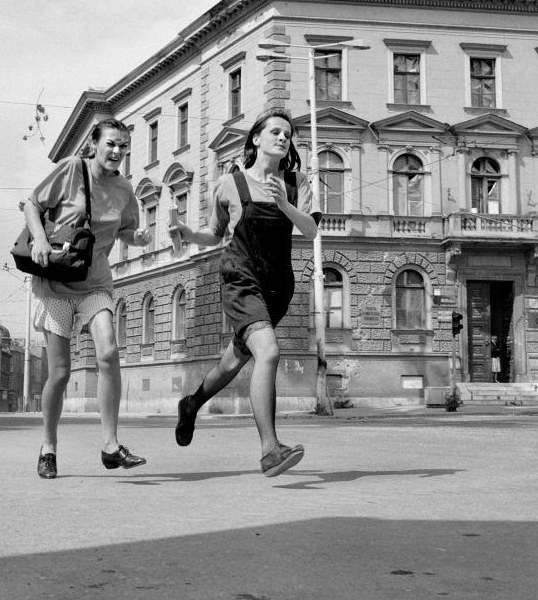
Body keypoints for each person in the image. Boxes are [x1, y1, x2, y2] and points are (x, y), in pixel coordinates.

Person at [169, 108, 319, 477]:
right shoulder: (230, 184)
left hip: (278, 285)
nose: (283, 138)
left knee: (233, 361)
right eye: (275, 132)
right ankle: (270, 449)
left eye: (288, 134)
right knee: (268, 352)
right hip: (241, 279)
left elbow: (312, 232)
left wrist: (284, 203)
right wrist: (187, 234)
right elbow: (214, 234)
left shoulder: (298, 182)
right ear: (256, 139)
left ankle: (190, 404)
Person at [23, 118, 152, 479]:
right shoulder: (70, 170)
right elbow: (32, 204)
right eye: (111, 144)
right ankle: (48, 446)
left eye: (123, 147)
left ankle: (110, 446)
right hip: (57, 282)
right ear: (94, 144)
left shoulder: (125, 189)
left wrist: (138, 239)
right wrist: (41, 240)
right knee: (60, 373)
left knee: (108, 352)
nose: (117, 152)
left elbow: (125, 231)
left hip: (95, 281)